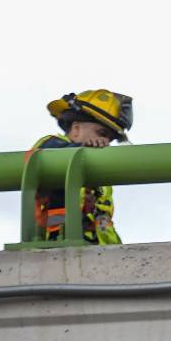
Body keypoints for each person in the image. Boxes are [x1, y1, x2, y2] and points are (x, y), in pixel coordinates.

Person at [34, 90, 134, 244]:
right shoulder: (50, 146)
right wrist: (82, 147)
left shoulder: (102, 175)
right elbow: (51, 157)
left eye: (110, 139)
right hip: (58, 247)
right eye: (101, 133)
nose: (105, 142)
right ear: (76, 129)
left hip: (101, 256)